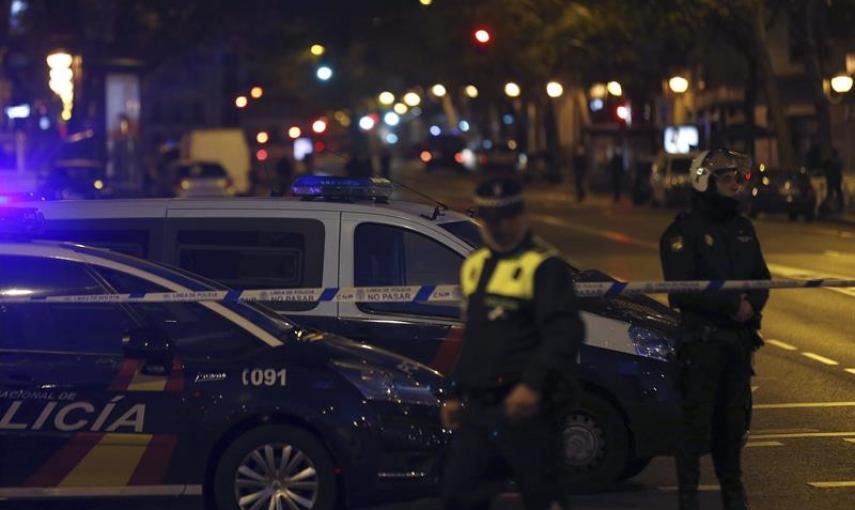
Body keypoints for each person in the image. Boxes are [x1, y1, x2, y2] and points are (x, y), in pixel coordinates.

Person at [440, 177, 585, 510]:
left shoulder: (543, 266)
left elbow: (564, 333)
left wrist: (532, 386)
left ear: (522, 216)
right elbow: (475, 337)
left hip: (528, 408)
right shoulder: (475, 267)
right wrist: (454, 392)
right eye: (491, 219)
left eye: (506, 218)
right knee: (459, 494)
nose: (499, 227)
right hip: (480, 408)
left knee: (542, 497)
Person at [659, 149, 771, 510]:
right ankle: (688, 498)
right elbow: (682, 288)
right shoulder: (683, 232)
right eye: (726, 178)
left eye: (737, 178)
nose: (735, 185)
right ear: (704, 181)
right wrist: (730, 306)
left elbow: (761, 278)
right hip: (701, 346)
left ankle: (733, 498)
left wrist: (751, 306)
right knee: (694, 428)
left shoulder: (742, 228)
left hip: (737, 346)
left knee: (731, 427)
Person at [824, 148, 844, 213]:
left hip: (831, 179)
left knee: (830, 193)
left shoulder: (830, 161)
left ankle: (828, 207)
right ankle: (841, 205)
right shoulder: (839, 161)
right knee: (839, 192)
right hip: (837, 179)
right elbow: (841, 168)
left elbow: (825, 168)